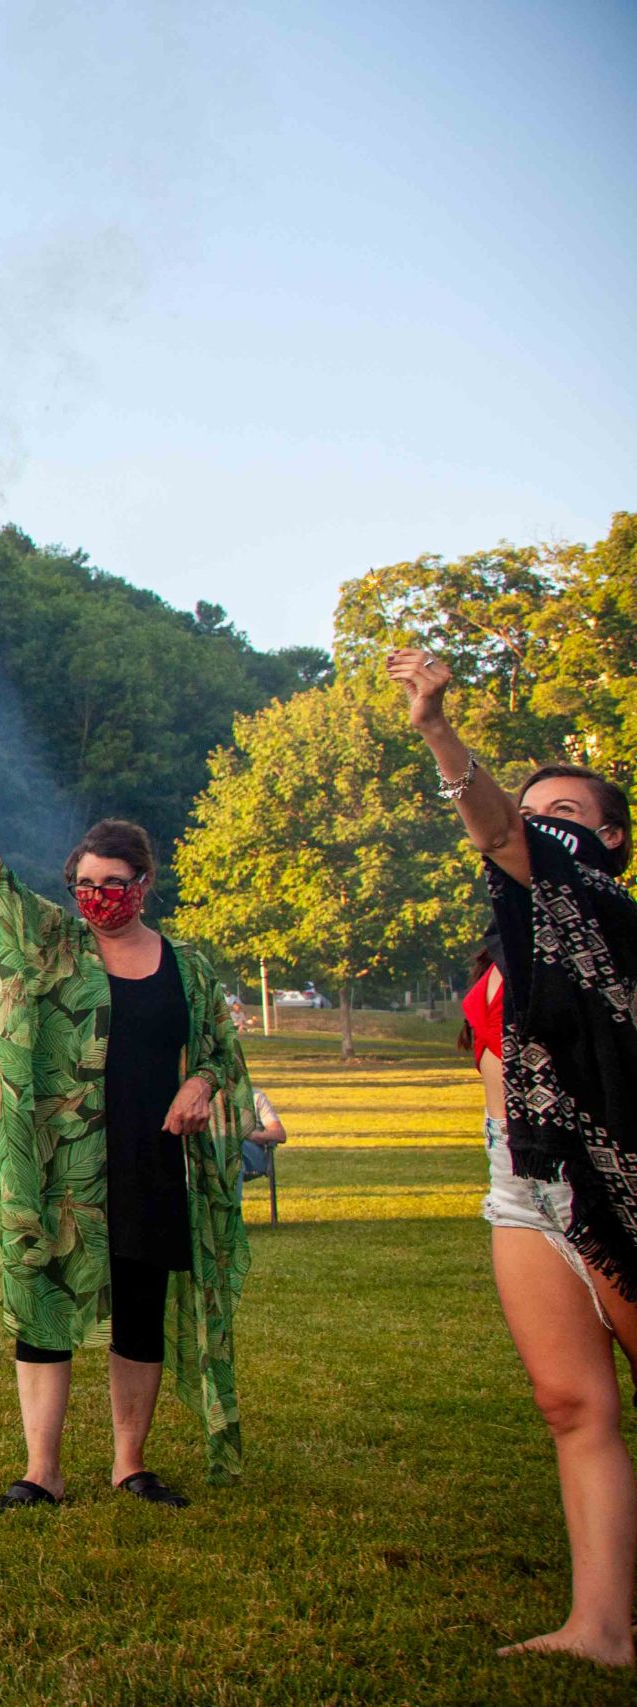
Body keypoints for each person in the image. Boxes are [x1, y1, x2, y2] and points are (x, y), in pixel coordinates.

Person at [0, 743, 253, 1511]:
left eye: (112, 884)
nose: (97, 897)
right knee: (46, 1305)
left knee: (139, 1311)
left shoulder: (187, 966)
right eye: (85, 885)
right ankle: (43, 1469)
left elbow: (219, 1050)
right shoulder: (57, 946)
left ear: (144, 883)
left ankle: (129, 1463)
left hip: (150, 1157)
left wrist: (201, 1082)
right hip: (62, 1160)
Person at [391, 645, 637, 1666]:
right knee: (569, 1403)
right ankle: (601, 1626)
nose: (537, 825)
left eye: (564, 815)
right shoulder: (511, 941)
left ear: (612, 840)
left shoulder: (608, 920)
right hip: (520, 1179)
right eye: (531, 811)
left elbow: (498, 830)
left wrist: (438, 731)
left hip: (615, 1176)